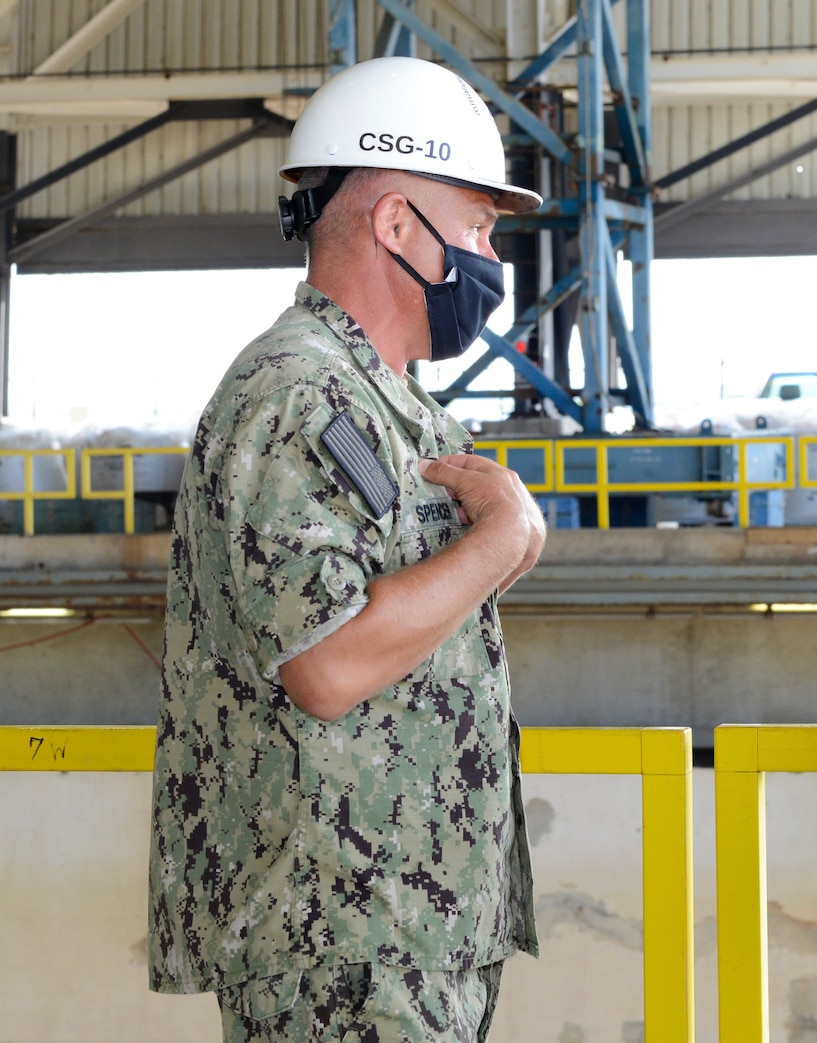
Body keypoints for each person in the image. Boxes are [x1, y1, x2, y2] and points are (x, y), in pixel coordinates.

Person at [147, 56, 547, 1042]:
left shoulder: (388, 403)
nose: (491, 259)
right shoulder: (300, 397)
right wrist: (505, 539)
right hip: (337, 941)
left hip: (400, 927)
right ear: (395, 223)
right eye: (477, 229)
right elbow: (324, 662)